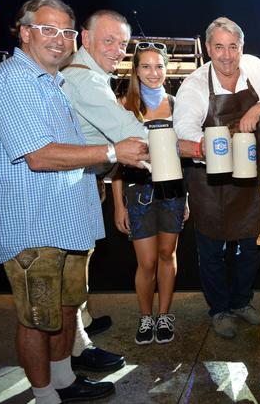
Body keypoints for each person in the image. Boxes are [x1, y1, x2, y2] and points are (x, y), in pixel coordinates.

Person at [0, 0, 147, 404]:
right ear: (25, 33)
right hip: (33, 223)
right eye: (47, 30)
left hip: (66, 218)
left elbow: (76, 148)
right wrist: (114, 153)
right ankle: (45, 396)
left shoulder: (56, 81)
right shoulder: (11, 80)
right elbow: (39, 155)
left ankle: (63, 380)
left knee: (65, 307)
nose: (58, 40)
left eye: (64, 31)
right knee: (37, 319)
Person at [174, 17, 260, 339]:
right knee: (212, 250)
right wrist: (206, 145)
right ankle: (219, 308)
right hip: (209, 180)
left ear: (242, 48)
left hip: (248, 176)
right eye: (219, 47)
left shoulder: (252, 66)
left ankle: (241, 301)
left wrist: (258, 108)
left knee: (251, 246)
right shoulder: (195, 84)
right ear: (209, 48)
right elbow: (184, 128)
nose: (227, 55)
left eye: (233, 47)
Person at [62, 9, 145, 373]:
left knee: (79, 262)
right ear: (85, 38)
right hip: (66, 188)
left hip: (83, 180)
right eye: (108, 41)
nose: (116, 50)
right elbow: (129, 131)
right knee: (69, 272)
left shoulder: (89, 74)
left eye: (122, 43)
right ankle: (76, 350)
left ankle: (82, 325)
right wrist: (188, 148)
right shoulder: (88, 82)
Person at [111, 42, 188, 345]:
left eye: (159, 66)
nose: (153, 72)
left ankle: (165, 314)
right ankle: (146, 316)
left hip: (172, 191)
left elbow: (183, 156)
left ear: (166, 70)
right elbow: (116, 159)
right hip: (138, 190)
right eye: (146, 66)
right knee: (147, 262)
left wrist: (187, 199)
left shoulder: (177, 104)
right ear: (136, 70)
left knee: (168, 254)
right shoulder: (122, 106)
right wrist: (118, 205)